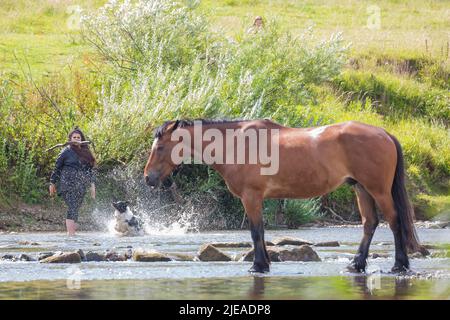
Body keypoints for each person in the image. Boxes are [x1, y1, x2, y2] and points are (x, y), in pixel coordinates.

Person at [49, 128, 96, 236]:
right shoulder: (66, 151)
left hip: (80, 185)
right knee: (72, 206)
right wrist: (52, 183)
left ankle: (72, 233)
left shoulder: (86, 153)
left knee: (76, 207)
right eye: (74, 137)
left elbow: (89, 171)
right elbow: (57, 168)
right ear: (70, 139)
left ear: (82, 139)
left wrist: (92, 185)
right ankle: (71, 235)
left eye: (78, 137)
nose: (76, 139)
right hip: (66, 184)